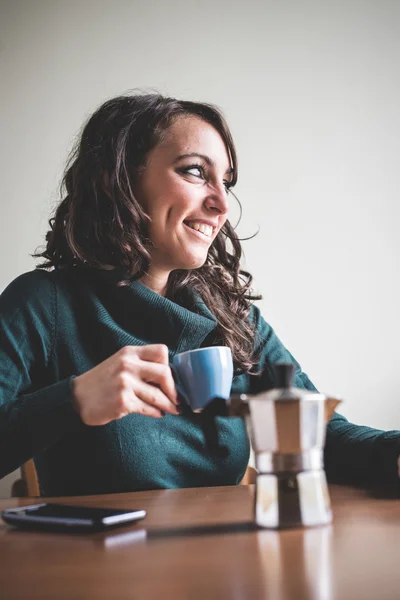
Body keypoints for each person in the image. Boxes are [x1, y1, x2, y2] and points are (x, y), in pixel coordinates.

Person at [0, 94, 399, 497]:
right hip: (90, 559)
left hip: (226, 559)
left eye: (225, 183)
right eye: (194, 172)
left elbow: (320, 433)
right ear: (117, 179)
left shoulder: (231, 318)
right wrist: (74, 399)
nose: (221, 204)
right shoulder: (42, 305)